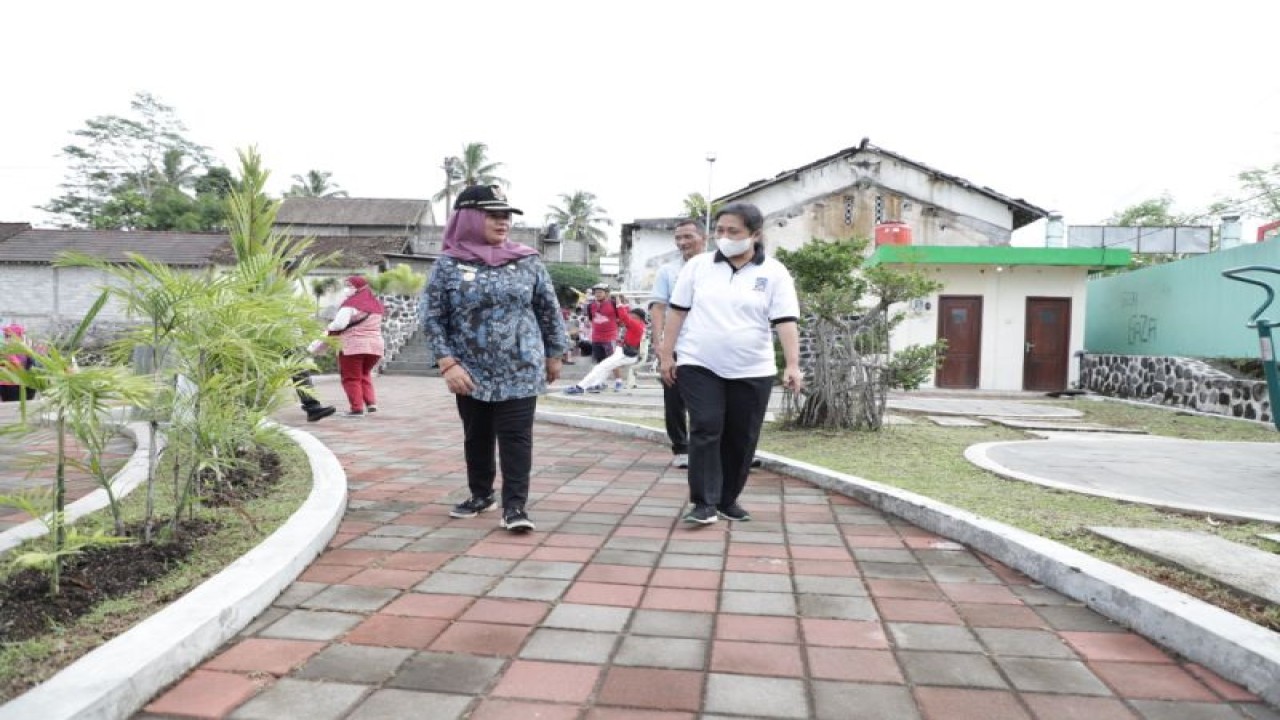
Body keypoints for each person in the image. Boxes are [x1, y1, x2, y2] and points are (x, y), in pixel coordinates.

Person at [422, 184, 567, 533]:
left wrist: (555, 352)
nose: (503, 222)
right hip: (469, 370)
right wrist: (447, 363)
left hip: (521, 366)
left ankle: (515, 506)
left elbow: (548, 308)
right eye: (493, 215)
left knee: (516, 437)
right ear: (469, 219)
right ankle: (481, 495)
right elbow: (432, 317)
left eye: (506, 216)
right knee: (477, 436)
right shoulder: (448, 265)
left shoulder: (527, 260)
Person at [657, 202, 804, 525]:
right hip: (699, 361)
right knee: (705, 425)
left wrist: (793, 364)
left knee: (742, 435)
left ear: (755, 234)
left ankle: (727, 499)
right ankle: (704, 503)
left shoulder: (774, 272)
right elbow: (677, 312)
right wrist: (667, 355)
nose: (724, 237)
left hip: (753, 367)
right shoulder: (698, 266)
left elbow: (785, 321)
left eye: (733, 231)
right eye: (720, 230)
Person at [648, 218, 707, 468]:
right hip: (676, 343)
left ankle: (725, 450)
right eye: (678, 238)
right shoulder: (668, 271)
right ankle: (681, 448)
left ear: (704, 238)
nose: (682, 242)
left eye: (688, 237)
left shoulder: (717, 267)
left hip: (709, 345)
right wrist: (660, 344)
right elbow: (658, 307)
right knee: (674, 397)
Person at [327, 275, 385, 417]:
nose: (346, 289)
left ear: (358, 287)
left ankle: (357, 409)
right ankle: (371, 403)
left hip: (353, 346)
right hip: (375, 347)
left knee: (351, 377)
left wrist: (329, 327)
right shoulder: (376, 304)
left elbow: (339, 324)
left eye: (349, 286)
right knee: (364, 374)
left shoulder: (351, 304)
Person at [563, 306, 647, 395]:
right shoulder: (641, 325)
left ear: (637, 317)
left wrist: (619, 304)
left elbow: (624, 317)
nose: (630, 317)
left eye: (632, 315)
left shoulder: (637, 325)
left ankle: (580, 387)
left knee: (600, 367)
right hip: (628, 352)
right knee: (606, 367)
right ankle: (597, 384)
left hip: (625, 353)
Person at [583, 283, 628, 392]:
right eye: (596, 292)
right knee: (600, 362)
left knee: (612, 361)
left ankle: (618, 381)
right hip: (596, 337)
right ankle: (600, 382)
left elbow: (623, 317)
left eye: (600, 292)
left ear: (607, 293)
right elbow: (591, 319)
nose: (597, 294)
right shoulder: (591, 305)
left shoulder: (613, 303)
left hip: (610, 337)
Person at [0, 323, 36, 402]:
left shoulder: (23, 351)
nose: (7, 338)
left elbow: (22, 368)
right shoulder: (5, 350)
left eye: (9, 336)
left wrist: (11, 358)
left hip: (16, 385)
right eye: (6, 336)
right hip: (5, 385)